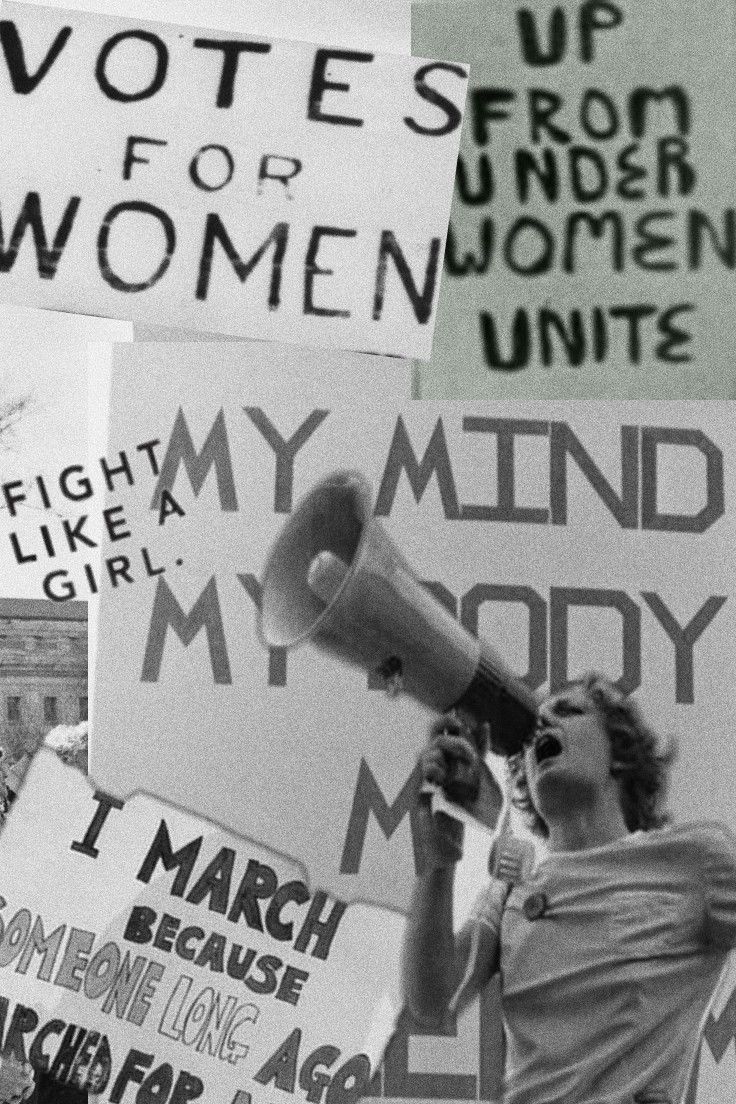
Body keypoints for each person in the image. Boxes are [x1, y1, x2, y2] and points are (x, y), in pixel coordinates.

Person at [402, 673, 736, 1104]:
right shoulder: (509, 893)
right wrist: (441, 840)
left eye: (568, 712)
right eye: (529, 733)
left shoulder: (695, 861)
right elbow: (431, 998)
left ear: (618, 753)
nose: (540, 728)